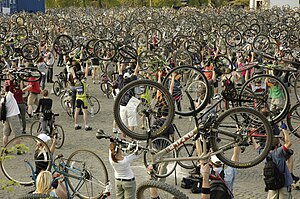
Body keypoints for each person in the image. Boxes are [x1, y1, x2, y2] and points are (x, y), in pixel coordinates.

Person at [265, 126, 293, 199]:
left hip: (272, 184)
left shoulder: (264, 153)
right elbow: (289, 143)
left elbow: (256, 146)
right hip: (284, 184)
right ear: (277, 145)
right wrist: (284, 130)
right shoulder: (278, 152)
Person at [70, 62, 92, 131]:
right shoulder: (84, 81)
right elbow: (86, 72)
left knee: (76, 111)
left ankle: (75, 124)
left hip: (78, 97)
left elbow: (73, 73)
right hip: (84, 98)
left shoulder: (76, 82)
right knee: (85, 112)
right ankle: (86, 125)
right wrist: (87, 64)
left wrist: (73, 72)